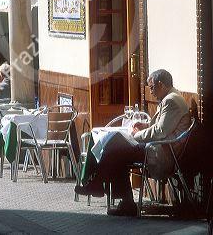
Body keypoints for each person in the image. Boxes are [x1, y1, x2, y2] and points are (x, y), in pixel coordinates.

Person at [75, 69, 190, 216]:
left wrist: (137, 135)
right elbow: (163, 126)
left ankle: (105, 189)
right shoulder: (171, 97)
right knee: (116, 147)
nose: (152, 92)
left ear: (161, 85)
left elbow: (160, 131)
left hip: (163, 152)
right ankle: (105, 190)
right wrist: (145, 126)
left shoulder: (171, 100)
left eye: (152, 87)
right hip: (161, 147)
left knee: (116, 148)